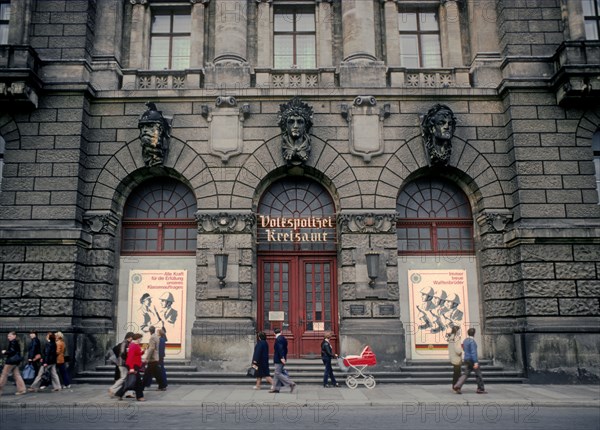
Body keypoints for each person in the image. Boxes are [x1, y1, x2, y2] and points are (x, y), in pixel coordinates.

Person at [453, 327, 487, 394]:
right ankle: (480, 388)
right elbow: (473, 352)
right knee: (478, 374)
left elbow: (464, 349)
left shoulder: (465, 341)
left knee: (466, 374)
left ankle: (457, 385)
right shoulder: (472, 342)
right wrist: (476, 362)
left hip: (466, 359)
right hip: (472, 360)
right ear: (474, 334)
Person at [116, 333, 145, 401]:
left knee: (133, 381)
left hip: (136, 365)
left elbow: (137, 354)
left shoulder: (135, 345)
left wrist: (143, 351)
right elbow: (130, 358)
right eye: (141, 338)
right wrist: (131, 368)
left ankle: (119, 393)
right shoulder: (133, 346)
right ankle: (139, 397)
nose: (141, 340)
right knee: (137, 382)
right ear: (138, 339)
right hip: (133, 366)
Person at [269, 328, 296, 393]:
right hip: (281, 358)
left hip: (279, 359)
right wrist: (284, 357)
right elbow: (285, 349)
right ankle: (276, 388)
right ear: (281, 332)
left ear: (274, 333)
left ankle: (291, 383)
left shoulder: (278, 339)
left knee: (277, 373)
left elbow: (280, 349)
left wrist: (282, 357)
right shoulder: (283, 338)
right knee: (276, 374)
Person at [0, 331, 27, 396]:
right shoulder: (16, 342)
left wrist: (5, 352)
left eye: (10, 336)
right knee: (17, 375)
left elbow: (12, 351)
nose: (8, 337)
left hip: (11, 361)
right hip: (15, 361)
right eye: (8, 336)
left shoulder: (13, 342)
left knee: (4, 375)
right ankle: (22, 389)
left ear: (14, 336)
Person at [109, 332, 134, 397]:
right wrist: (126, 359)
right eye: (131, 337)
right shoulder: (125, 343)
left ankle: (126, 393)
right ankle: (113, 389)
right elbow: (123, 353)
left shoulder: (127, 343)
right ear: (128, 337)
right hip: (122, 363)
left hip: (123, 362)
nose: (132, 339)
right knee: (123, 377)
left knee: (125, 377)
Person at [142, 326, 167, 391]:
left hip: (152, 358)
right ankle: (162, 385)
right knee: (156, 373)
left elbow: (152, 348)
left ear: (150, 331)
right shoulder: (156, 337)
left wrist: (147, 357)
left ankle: (141, 386)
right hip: (155, 358)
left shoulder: (152, 337)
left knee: (147, 374)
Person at [446, 326, 463, 390]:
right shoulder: (456, 338)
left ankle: (454, 386)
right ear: (457, 331)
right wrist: (460, 352)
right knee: (457, 373)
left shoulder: (451, 337)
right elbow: (458, 349)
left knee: (456, 373)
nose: (460, 332)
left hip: (452, 357)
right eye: (459, 330)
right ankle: (456, 387)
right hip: (457, 357)